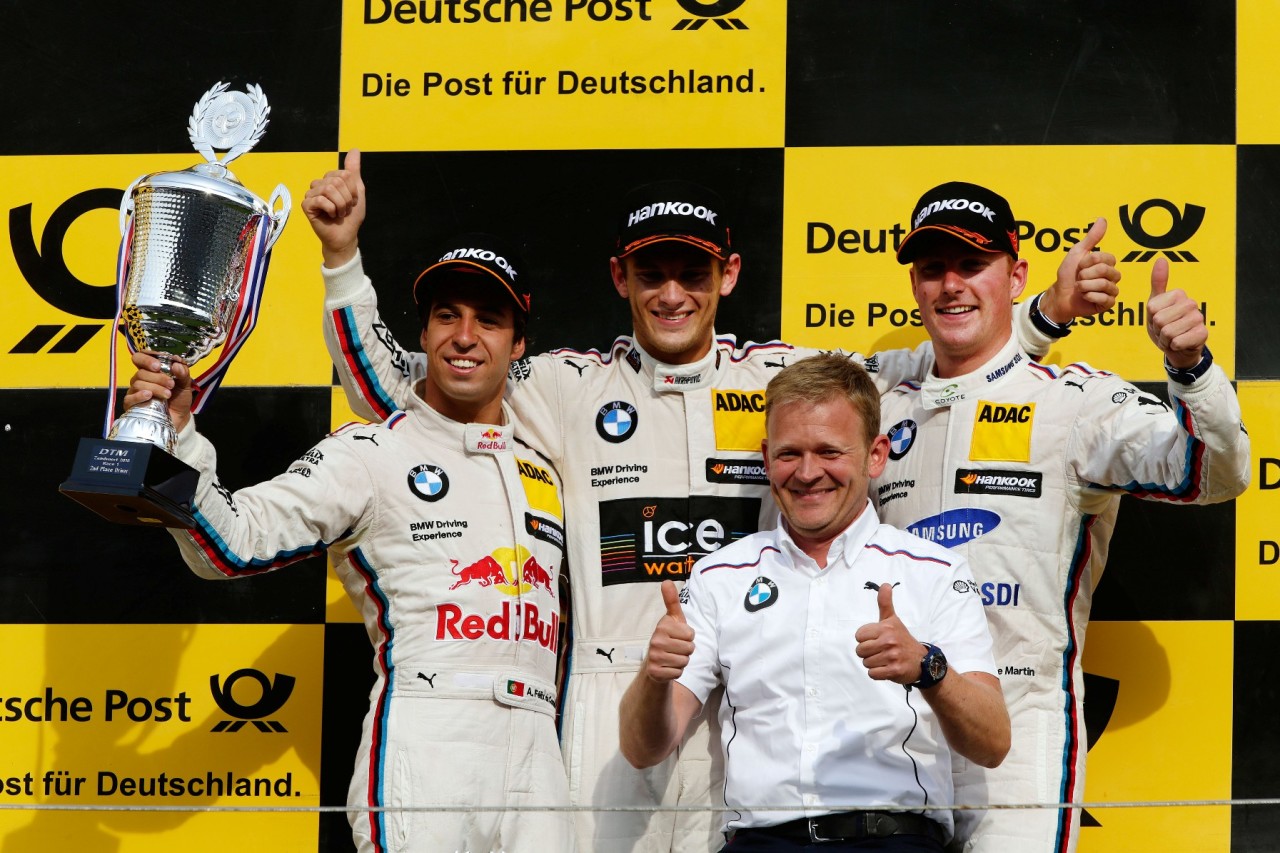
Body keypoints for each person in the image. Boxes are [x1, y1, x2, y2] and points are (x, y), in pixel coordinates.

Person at [308, 151, 1113, 853]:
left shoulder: (780, 378)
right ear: (618, 276)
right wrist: (343, 259)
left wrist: (1040, 318)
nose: (671, 294)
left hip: (744, 706)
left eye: (692, 273)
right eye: (650, 273)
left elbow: (925, 371)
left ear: (726, 275)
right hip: (615, 706)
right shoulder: (563, 385)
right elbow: (403, 391)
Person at [123, 232, 575, 853]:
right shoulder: (369, 453)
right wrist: (180, 438)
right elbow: (230, 545)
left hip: (541, 745)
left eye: (489, 321)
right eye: (447, 316)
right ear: (422, 336)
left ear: (519, 345)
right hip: (430, 732)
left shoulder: (545, 465)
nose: (464, 336)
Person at [874, 181, 1251, 853]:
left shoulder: (1075, 403)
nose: (951, 284)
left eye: (972, 264)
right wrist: (1047, 312)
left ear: (1015, 274)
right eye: (933, 267)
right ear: (913, 282)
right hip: (889, 734)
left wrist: (1190, 367)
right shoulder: (882, 400)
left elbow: (1215, 474)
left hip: (1019, 733)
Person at [620, 353, 1010, 852]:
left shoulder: (932, 570)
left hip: (891, 840)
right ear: (765, 457)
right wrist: (654, 679)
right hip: (760, 843)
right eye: (788, 454)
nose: (807, 473)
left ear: (875, 454)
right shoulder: (719, 575)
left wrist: (926, 667)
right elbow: (642, 749)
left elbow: (993, 743)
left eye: (829, 451)